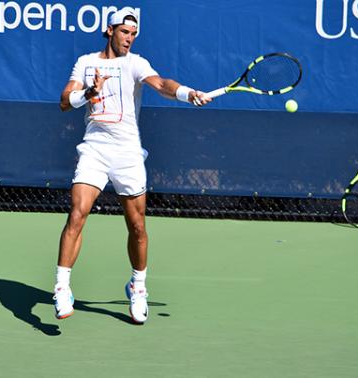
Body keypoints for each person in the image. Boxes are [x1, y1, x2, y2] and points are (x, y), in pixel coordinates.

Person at [55, 8, 211, 324]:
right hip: (95, 149)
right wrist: (89, 92)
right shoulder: (86, 63)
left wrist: (186, 94)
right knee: (77, 212)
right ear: (110, 30)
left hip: (127, 153)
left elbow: (162, 84)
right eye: (125, 32)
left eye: (133, 34)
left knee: (137, 226)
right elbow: (63, 101)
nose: (129, 38)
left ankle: (137, 287)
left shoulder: (135, 63)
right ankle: (61, 286)